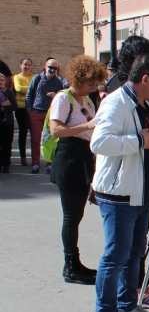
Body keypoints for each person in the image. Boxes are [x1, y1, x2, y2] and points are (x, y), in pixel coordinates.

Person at [90, 53, 149, 312]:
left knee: (135, 255)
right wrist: (140, 140)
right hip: (119, 194)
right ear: (145, 79)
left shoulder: (145, 105)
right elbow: (99, 142)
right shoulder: (115, 103)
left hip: (141, 193)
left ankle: (128, 306)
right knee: (115, 255)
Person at [49, 56, 106, 284]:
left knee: (77, 215)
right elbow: (56, 131)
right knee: (71, 216)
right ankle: (71, 266)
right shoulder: (64, 98)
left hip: (83, 156)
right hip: (69, 157)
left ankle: (75, 263)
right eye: (90, 83)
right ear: (79, 78)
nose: (94, 87)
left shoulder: (88, 101)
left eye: (96, 84)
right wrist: (87, 126)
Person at [26, 58, 67, 174]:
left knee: (50, 139)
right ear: (45, 67)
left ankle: (49, 163)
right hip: (36, 112)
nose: (52, 70)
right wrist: (30, 110)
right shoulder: (37, 78)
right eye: (50, 67)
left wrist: (56, 95)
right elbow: (29, 95)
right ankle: (35, 164)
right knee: (36, 139)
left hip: (51, 114)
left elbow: (63, 98)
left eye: (55, 68)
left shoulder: (59, 82)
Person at [13, 58, 34, 166]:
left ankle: (35, 157)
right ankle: (23, 157)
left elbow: (35, 90)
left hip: (32, 108)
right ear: (20, 65)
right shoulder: (16, 77)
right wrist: (30, 89)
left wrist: (27, 91)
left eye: (29, 65)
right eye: (25, 64)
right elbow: (18, 88)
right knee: (23, 132)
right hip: (20, 108)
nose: (27, 67)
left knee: (34, 133)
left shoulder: (34, 77)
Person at [0, 66, 17, 173]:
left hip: (8, 123)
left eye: (2, 80)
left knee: (7, 144)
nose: (1, 82)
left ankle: (6, 165)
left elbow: (14, 106)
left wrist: (3, 109)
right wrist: (3, 104)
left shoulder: (9, 93)